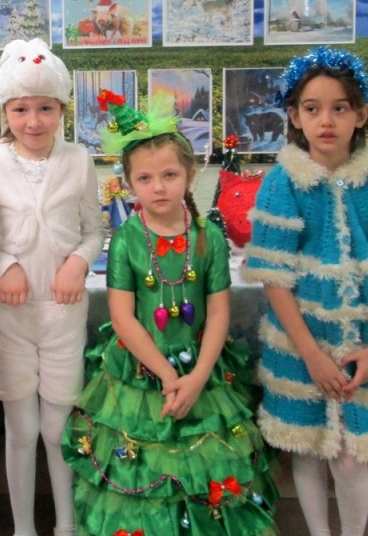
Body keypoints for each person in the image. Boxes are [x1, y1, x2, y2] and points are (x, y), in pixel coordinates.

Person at [243, 47, 368, 536]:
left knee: (354, 455)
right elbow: (274, 276)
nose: (326, 121)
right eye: (312, 109)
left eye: (340, 107)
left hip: (367, 340)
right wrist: (311, 355)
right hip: (301, 341)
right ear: (294, 116)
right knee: (307, 446)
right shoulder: (282, 182)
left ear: (361, 113)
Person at [61, 92, 278, 536]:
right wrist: (167, 376)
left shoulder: (208, 237)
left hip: (203, 369)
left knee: (207, 471)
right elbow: (123, 317)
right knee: (145, 469)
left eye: (169, 175)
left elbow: (218, 312)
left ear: (190, 176)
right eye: (145, 178)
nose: (158, 187)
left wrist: (195, 378)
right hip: (140, 373)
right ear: (128, 183)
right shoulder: (127, 239)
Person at [0, 38, 104, 536]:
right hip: (9, 315)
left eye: (45, 108)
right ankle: (24, 527)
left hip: (63, 312)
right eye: (21, 109)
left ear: (62, 109)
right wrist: (2, 263)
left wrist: (79, 262)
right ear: (5, 111)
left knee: (57, 426)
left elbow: (94, 230)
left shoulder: (78, 160)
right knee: (22, 428)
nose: (33, 121)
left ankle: (66, 525)